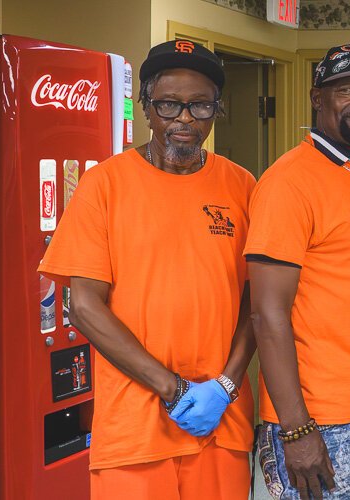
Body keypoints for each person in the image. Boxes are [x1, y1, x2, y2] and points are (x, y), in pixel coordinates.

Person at [38, 39, 256, 499]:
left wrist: (226, 385)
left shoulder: (242, 186)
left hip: (220, 423)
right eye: (169, 105)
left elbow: (259, 301)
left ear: (217, 110)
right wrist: (172, 388)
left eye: (199, 106)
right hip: (133, 428)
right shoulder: (104, 185)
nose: (183, 119)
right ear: (145, 107)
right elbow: (84, 305)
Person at [248, 42, 350, 500]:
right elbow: (266, 314)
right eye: (348, 90)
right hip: (313, 416)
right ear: (318, 99)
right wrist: (296, 431)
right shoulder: (289, 182)